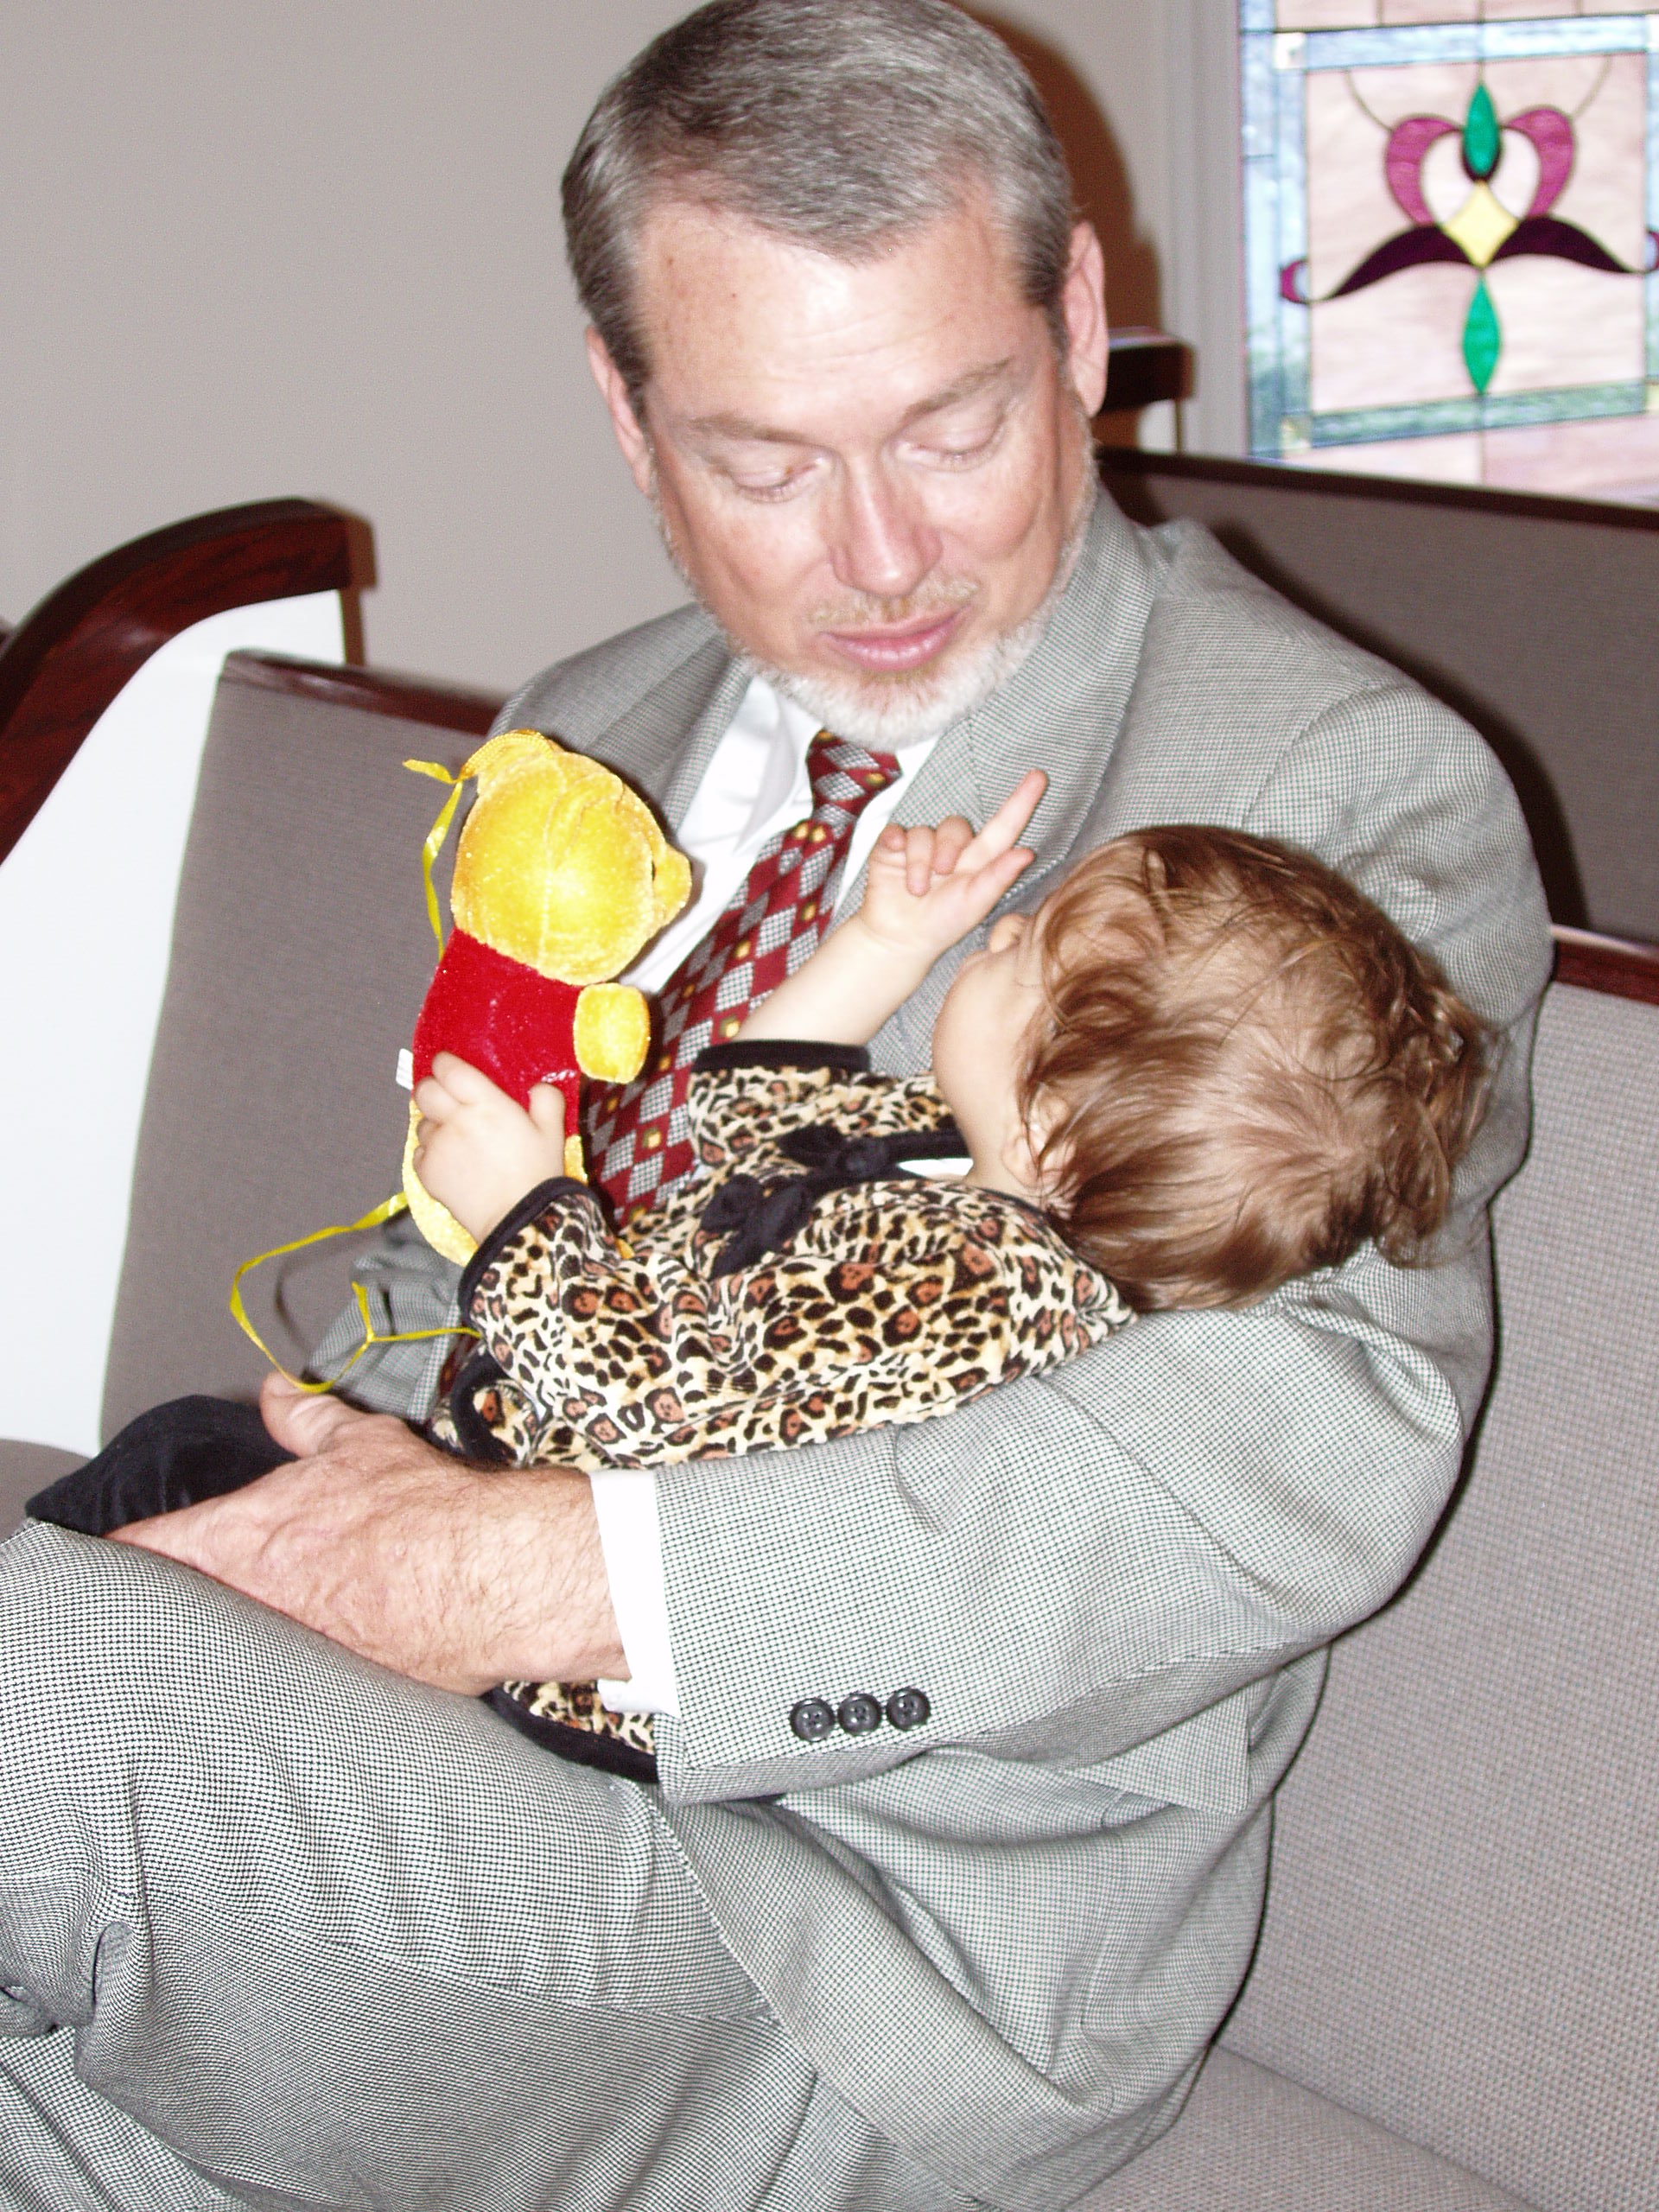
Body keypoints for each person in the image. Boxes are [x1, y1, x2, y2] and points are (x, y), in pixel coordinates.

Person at [0, 3, 1552, 2207]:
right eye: (765, 463)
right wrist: (328, 1488)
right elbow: (467, 1232)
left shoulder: (1332, 788)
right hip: (432, 1807)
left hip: (836, 1929)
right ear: (627, 413)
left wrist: (527, 1569)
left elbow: (1303, 1437)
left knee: (44, 1682)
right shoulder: (582, 722)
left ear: (1078, 323)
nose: (884, 553)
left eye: (952, 424)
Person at [30, 801, 1491, 1789]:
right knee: (180, 1465)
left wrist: (523, 1215)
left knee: (171, 1476)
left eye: (1021, 955)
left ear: (1055, 1120)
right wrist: (884, 947)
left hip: (558, 1704)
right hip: (503, 1475)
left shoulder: (975, 1291)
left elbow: (655, 1403)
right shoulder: (942, 1170)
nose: (997, 935)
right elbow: (753, 1112)